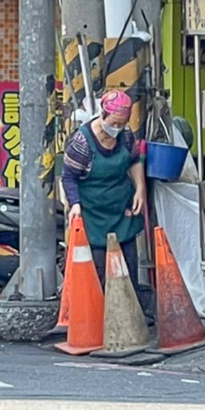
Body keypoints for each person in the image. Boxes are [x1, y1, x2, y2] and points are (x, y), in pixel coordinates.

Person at [61, 90, 147, 289]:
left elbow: (134, 161)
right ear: (103, 115)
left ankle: (129, 316)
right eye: (114, 123)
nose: (118, 128)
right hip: (93, 216)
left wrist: (140, 189)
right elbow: (69, 176)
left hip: (121, 211)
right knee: (100, 275)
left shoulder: (125, 136)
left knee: (127, 270)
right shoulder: (82, 142)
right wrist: (74, 204)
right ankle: (100, 317)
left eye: (122, 123)